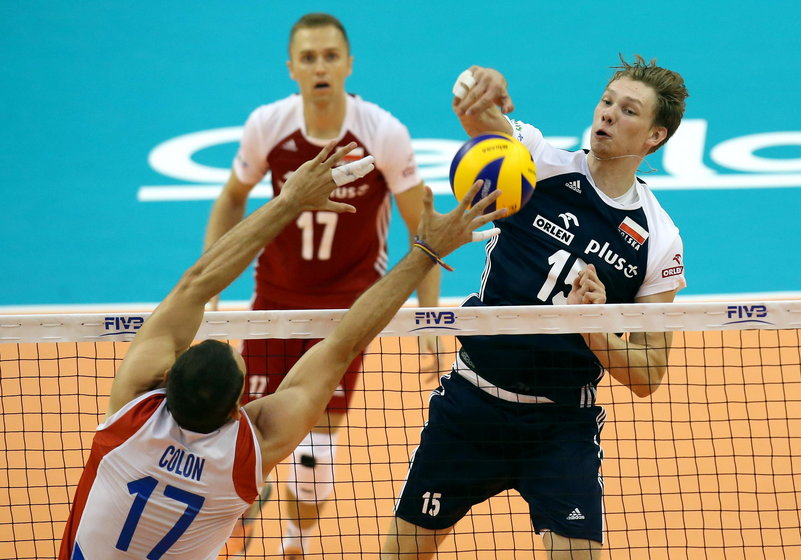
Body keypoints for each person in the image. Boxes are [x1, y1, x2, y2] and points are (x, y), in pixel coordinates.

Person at [59, 141, 504, 560]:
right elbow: (342, 343)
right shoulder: (248, 453)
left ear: (166, 378)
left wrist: (288, 200)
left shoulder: (132, 413)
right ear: (239, 409)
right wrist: (425, 251)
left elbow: (196, 284)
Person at [381, 55, 689, 560]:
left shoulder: (659, 238)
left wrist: (595, 328)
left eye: (628, 111)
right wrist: (486, 86)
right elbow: (479, 118)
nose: (608, 114)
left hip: (560, 426)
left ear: (655, 136)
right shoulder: (541, 162)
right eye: (607, 101)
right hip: (471, 408)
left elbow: (649, 373)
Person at [202, 13, 439, 557]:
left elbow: (423, 229)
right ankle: (228, 538)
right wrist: (213, 280)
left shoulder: (383, 133)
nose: (321, 67)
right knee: (244, 441)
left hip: (346, 313)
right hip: (273, 305)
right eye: (309, 58)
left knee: (315, 451)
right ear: (292, 69)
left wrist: (429, 321)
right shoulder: (269, 124)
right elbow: (232, 197)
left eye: (331, 56)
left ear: (349, 64)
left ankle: (295, 544)